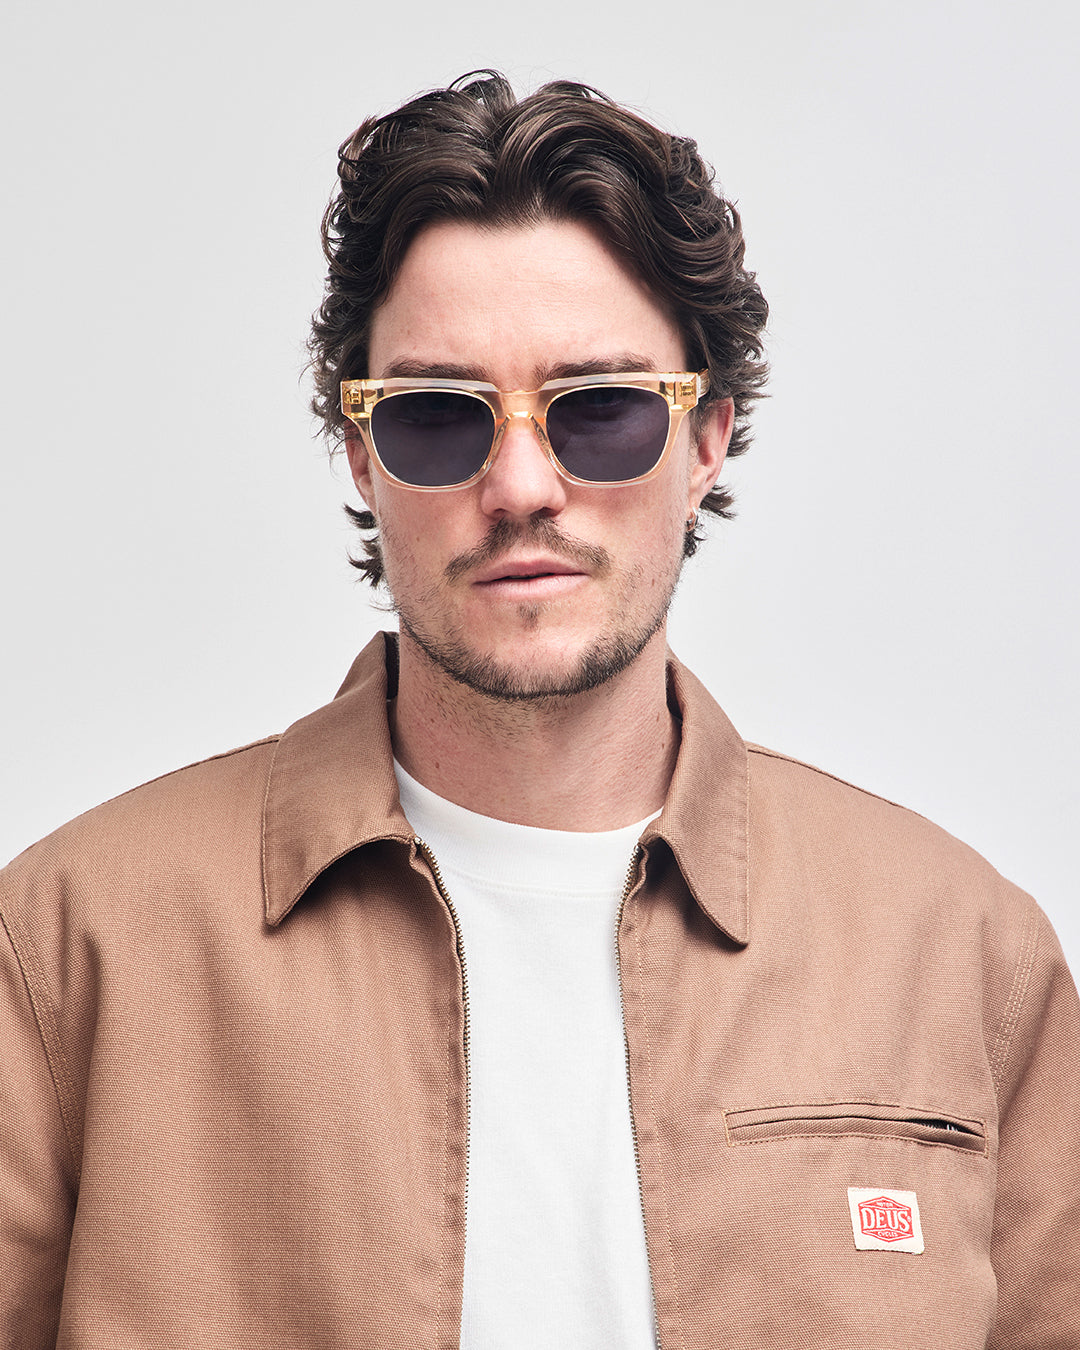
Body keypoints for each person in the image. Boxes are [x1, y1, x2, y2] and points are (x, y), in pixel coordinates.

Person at [2, 70, 1078, 1350]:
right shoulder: (68, 946)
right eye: (437, 418)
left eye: (602, 411)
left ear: (707, 439)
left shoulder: (962, 957)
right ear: (361, 456)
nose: (521, 486)